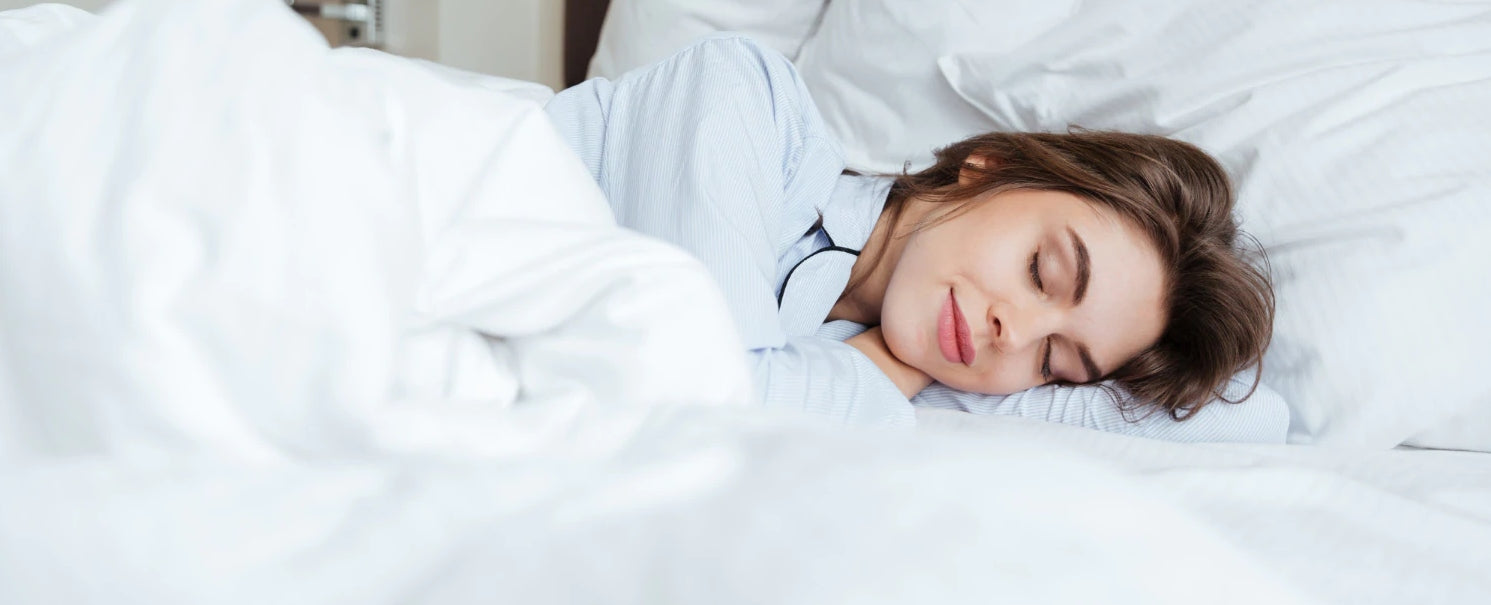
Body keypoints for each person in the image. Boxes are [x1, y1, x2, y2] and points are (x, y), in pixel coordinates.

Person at [543, 35, 1286, 442]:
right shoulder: (744, 99)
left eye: (1054, 362)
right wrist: (879, 368)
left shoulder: (877, 359)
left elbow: (1253, 423)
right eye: (1039, 268)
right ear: (986, 168)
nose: (1013, 330)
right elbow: (711, 403)